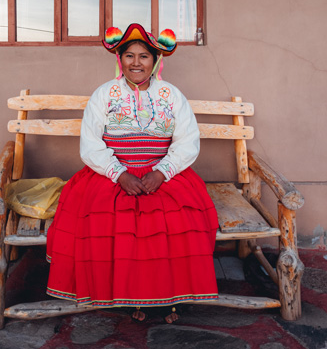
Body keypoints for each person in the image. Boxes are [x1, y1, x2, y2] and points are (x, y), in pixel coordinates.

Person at [46, 23, 219, 323]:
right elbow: (90, 145)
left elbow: (188, 142)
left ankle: (166, 298)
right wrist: (119, 174)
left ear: (155, 61)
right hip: (111, 174)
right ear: (120, 60)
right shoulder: (104, 95)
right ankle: (122, 296)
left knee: (176, 216)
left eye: (144, 56)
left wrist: (162, 173)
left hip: (162, 174)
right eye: (129, 55)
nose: (136, 63)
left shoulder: (171, 95)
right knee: (105, 219)